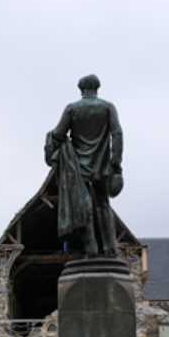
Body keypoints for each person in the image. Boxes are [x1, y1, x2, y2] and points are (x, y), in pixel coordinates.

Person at [46, 74, 124, 257]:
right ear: (97, 88)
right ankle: (110, 248)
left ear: (81, 90)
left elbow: (58, 134)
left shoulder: (72, 109)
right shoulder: (108, 107)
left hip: (78, 165)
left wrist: (50, 139)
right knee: (103, 204)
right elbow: (117, 134)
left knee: (84, 205)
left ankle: (91, 248)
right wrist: (116, 162)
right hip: (102, 165)